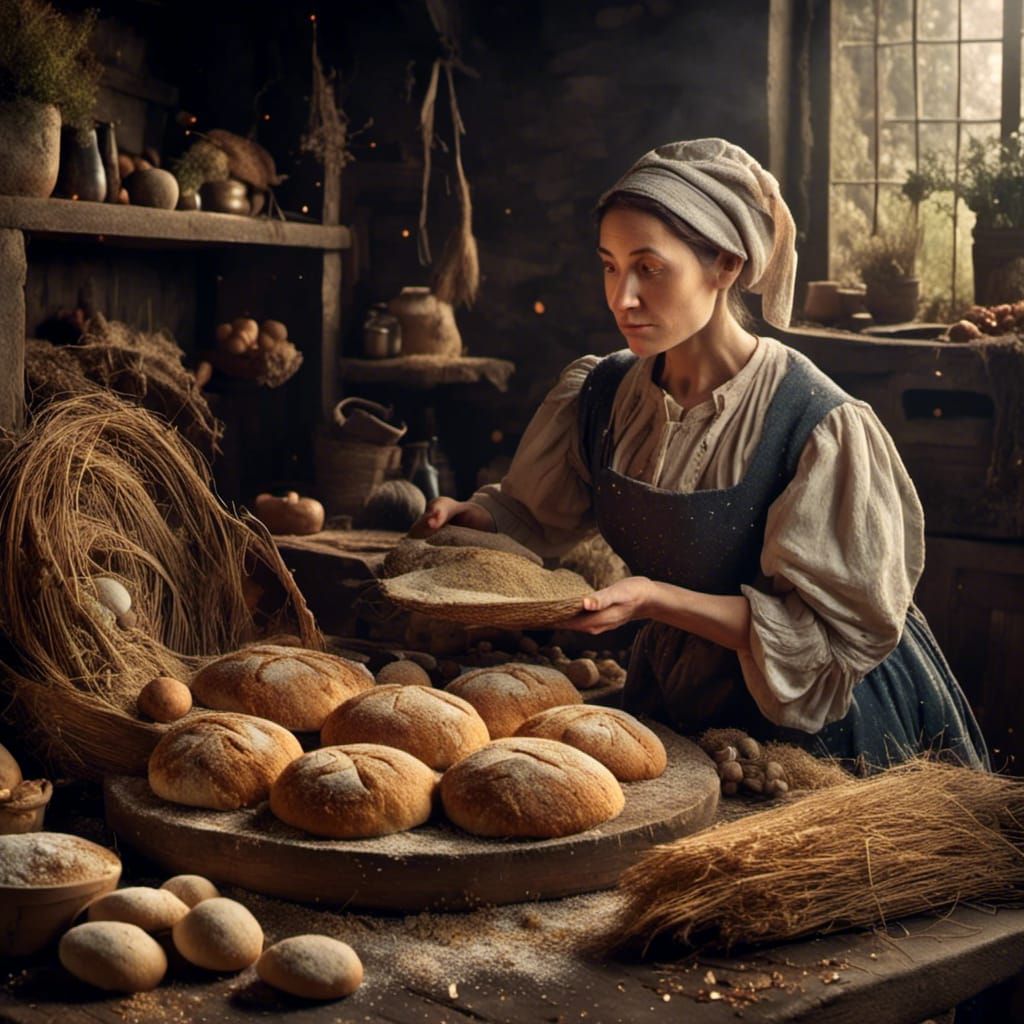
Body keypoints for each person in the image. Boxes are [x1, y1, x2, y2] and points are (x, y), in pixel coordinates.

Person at [412, 138, 989, 771]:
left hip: (819, 725)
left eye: (649, 268)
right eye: (609, 265)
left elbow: (825, 641)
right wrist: (482, 519)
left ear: (726, 267)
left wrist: (655, 600)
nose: (622, 296)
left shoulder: (817, 423)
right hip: (683, 703)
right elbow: (536, 514)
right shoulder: (603, 394)